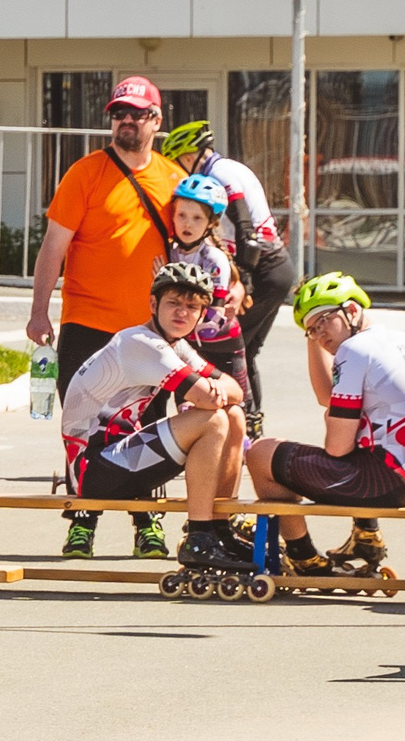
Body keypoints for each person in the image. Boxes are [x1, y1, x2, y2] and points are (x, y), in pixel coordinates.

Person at [27, 76, 187, 559]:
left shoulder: (173, 178)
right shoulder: (86, 173)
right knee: (85, 427)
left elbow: (192, 246)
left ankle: (147, 524)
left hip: (149, 333)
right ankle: (83, 521)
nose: (127, 121)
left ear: (156, 121)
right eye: (120, 113)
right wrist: (39, 311)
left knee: (149, 430)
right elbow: (53, 247)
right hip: (88, 324)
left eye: (137, 114)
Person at [59, 261, 251, 575]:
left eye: (192, 307)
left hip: (119, 456)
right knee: (213, 419)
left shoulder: (178, 346)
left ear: (202, 315)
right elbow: (204, 397)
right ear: (153, 304)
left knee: (233, 414)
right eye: (173, 303)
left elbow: (235, 391)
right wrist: (212, 393)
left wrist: (214, 392)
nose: (182, 313)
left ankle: (219, 529)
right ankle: (199, 536)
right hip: (91, 470)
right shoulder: (139, 343)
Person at [246, 273, 405, 575]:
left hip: (389, 484)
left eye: (324, 320)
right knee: (342, 418)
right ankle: (366, 535)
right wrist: (313, 335)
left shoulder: (355, 350)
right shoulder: (402, 340)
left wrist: (322, 338)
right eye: (312, 329)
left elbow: (337, 448)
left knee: (260, 454)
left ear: (352, 311)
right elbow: (328, 397)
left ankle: (304, 559)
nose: (320, 333)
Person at [158, 117, 297, 438]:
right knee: (245, 352)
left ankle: (232, 429)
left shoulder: (220, 174)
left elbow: (246, 234)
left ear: (189, 156)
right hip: (274, 267)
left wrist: (242, 282)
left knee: (220, 350)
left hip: (262, 267)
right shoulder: (230, 167)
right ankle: (250, 426)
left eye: (180, 164)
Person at [164, 173, 248, 401]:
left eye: (197, 218)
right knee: (188, 407)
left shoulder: (214, 260)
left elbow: (213, 320)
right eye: (181, 215)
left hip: (223, 346)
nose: (187, 224)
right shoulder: (169, 252)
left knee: (234, 406)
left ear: (211, 223)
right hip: (188, 345)